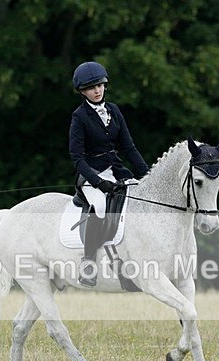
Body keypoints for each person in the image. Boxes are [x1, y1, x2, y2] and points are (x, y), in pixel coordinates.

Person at [69, 61, 149, 286]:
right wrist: (98, 182)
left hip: (116, 171)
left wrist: (148, 176)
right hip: (91, 175)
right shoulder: (79, 117)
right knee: (100, 207)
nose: (97, 91)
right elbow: (77, 158)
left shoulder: (114, 110)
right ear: (82, 91)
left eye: (100, 85)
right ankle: (88, 264)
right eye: (91, 88)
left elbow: (129, 148)